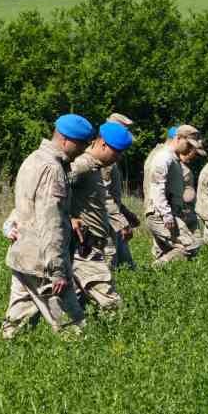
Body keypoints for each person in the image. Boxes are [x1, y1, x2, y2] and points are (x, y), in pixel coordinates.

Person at [2, 114, 93, 337]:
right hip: (42, 260)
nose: (83, 150)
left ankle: (3, 361)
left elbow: (24, 207)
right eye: (80, 144)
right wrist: (57, 271)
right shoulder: (53, 170)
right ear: (65, 140)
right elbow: (50, 223)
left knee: (16, 324)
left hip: (22, 254)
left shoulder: (32, 159)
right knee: (73, 329)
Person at [68, 119, 134, 314]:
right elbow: (56, 190)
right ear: (102, 143)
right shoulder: (82, 165)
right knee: (112, 303)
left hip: (92, 244)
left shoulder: (95, 166)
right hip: (84, 246)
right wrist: (70, 218)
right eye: (117, 151)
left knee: (75, 303)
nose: (118, 157)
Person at [143, 123, 204, 264]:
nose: (190, 149)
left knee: (165, 249)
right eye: (188, 144)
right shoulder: (164, 157)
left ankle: (158, 277)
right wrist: (166, 214)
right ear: (178, 138)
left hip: (168, 212)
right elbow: (157, 186)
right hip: (160, 213)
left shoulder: (173, 158)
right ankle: (155, 269)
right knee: (190, 245)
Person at [103, 112, 140, 268]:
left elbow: (112, 196)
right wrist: (122, 222)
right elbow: (104, 196)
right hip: (106, 222)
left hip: (114, 219)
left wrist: (126, 213)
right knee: (108, 264)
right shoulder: (105, 160)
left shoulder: (111, 158)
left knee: (127, 266)